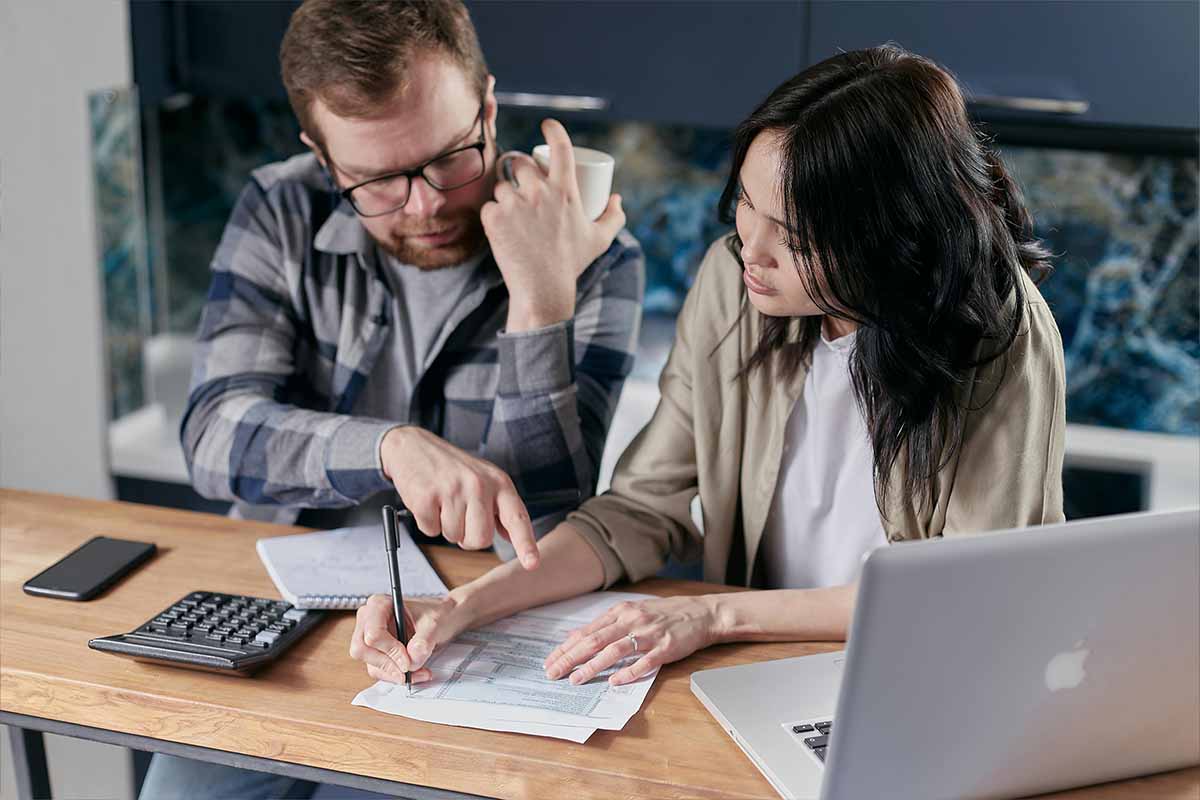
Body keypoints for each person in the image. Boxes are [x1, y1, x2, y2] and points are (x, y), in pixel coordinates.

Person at [349, 45, 1066, 692]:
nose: (749, 249)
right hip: (756, 672)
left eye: (793, 237)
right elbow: (636, 510)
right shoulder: (733, 282)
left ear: (890, 238)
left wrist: (713, 614)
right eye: (747, 208)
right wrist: (462, 606)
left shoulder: (1000, 333)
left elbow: (963, 592)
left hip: (918, 679)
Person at [142, 0, 643, 797]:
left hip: (463, 636)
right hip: (279, 620)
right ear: (322, 157)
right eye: (377, 180)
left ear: (487, 105)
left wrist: (540, 301)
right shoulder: (280, 208)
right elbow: (213, 437)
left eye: (450, 157)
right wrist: (388, 446)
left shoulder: (589, 250)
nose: (427, 204)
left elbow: (547, 526)